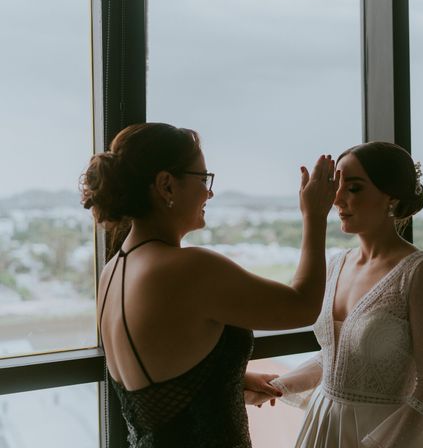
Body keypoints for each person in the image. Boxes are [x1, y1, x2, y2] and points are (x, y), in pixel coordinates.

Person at [80, 122, 338, 448]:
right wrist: (314, 216)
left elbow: (157, 372)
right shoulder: (190, 268)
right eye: (202, 178)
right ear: (166, 185)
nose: (209, 191)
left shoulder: (114, 270)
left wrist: (229, 380)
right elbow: (302, 305)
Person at [262, 141, 423, 448]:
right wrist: (278, 386)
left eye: (353, 189)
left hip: (387, 437)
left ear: (390, 197)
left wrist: (380, 445)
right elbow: (335, 359)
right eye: (336, 186)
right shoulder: (338, 263)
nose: (336, 199)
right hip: (323, 426)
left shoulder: (422, 274)